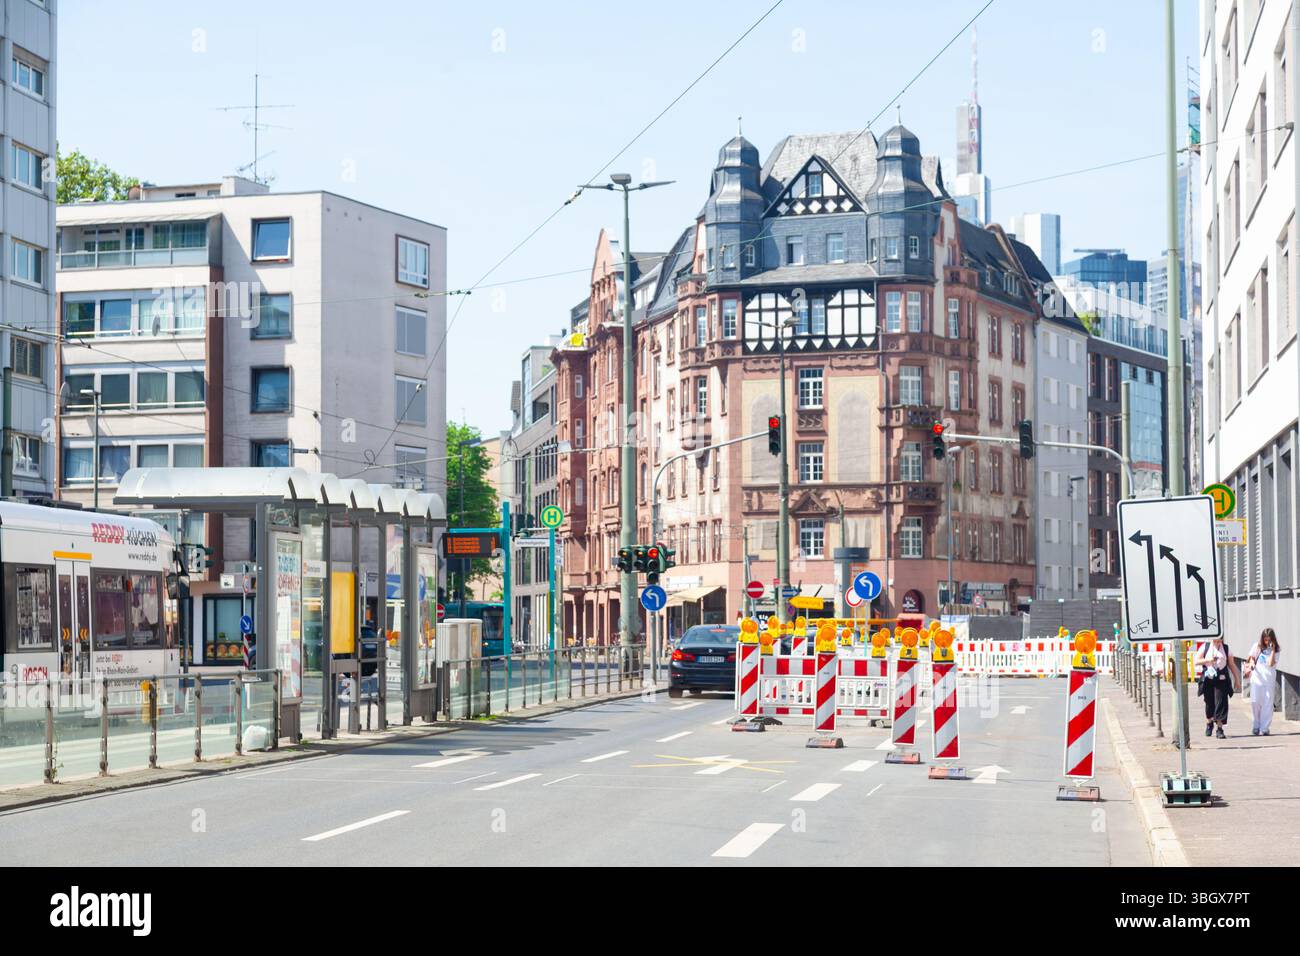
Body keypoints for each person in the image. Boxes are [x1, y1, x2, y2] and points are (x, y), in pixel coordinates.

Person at [1195, 637, 1241, 739]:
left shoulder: (1226, 649)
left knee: (1221, 703)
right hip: (1208, 679)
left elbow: (1232, 664)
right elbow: (1196, 661)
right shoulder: (1205, 647)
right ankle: (1209, 722)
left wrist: (1237, 680)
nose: (1217, 643)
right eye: (1215, 641)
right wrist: (1207, 660)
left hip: (1221, 679)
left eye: (1219, 641)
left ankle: (1219, 729)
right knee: (1209, 703)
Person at [1245, 628, 1281, 736]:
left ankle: (1264, 728)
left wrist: (1273, 650)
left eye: (1269, 640)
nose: (1267, 642)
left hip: (1269, 680)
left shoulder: (1277, 649)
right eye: (1265, 639)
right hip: (1257, 679)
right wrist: (1252, 663)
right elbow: (1251, 657)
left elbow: (1271, 664)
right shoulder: (1257, 646)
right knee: (1255, 702)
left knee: (1267, 704)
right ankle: (1256, 725)